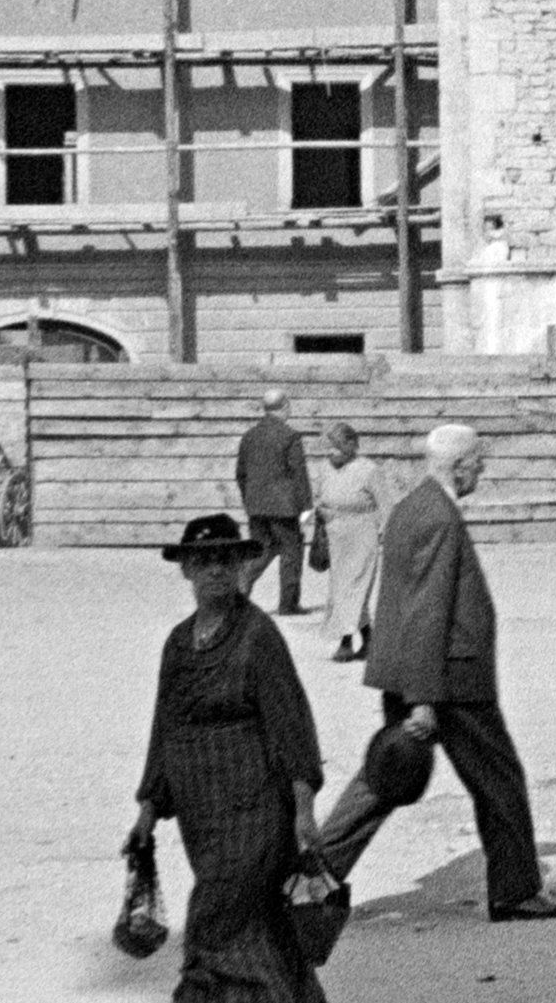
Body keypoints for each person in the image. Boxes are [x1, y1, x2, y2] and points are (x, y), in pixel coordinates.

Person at [368, 423, 556, 921]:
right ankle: (516, 890)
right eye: (478, 459)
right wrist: (422, 697)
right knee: (499, 780)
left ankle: (316, 870)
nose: (483, 467)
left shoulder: (411, 506)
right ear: (458, 466)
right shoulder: (440, 516)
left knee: (380, 785)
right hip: (450, 679)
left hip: (421, 672)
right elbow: (427, 607)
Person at [126, 512, 329, 1001]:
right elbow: (165, 726)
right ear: (187, 570)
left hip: (256, 807)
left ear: (241, 567)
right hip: (202, 813)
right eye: (204, 560)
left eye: (225, 559)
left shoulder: (259, 637)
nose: (216, 570)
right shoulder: (178, 644)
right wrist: (149, 810)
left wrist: (303, 810)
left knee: (215, 919)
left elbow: (292, 726)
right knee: (260, 926)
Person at [312, 421, 389, 664]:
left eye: (335, 448)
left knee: (354, 588)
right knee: (341, 590)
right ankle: (369, 640)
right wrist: (319, 513)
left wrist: (384, 532)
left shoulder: (368, 470)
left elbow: (386, 505)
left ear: (350, 446)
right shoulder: (324, 468)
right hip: (335, 536)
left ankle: (345, 643)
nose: (330, 453)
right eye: (327, 448)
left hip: (362, 534)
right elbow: (318, 497)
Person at [235, 391, 312, 619]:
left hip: (257, 506)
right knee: (291, 553)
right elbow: (299, 474)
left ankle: (241, 587)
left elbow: (240, 473)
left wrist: (250, 499)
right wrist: (306, 506)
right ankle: (288, 604)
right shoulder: (290, 436)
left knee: (261, 550)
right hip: (285, 507)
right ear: (285, 406)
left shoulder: (249, 436)